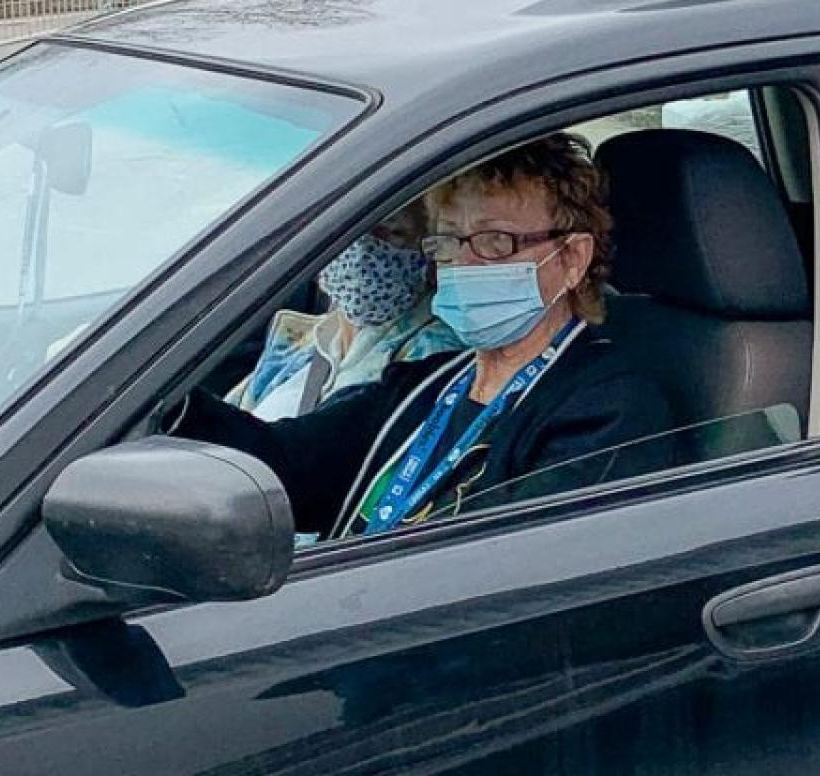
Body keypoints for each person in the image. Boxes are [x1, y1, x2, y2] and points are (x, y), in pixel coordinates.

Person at [178, 133, 674, 541]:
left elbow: (520, 576)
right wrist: (166, 403)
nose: (463, 261)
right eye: (449, 240)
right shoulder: (428, 384)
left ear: (570, 259)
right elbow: (280, 464)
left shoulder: (608, 409)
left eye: (494, 241)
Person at [225, 200, 461, 421]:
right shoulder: (304, 342)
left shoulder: (430, 357)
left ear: (428, 254)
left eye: (393, 234)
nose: (363, 248)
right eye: (353, 232)